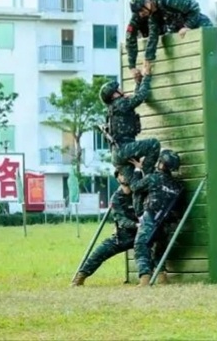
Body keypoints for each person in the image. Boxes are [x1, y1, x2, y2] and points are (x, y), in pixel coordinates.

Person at [127, 0, 217, 105]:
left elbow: (194, 6)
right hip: (186, 34)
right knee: (199, 62)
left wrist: (188, 25)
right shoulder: (154, 16)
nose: (141, 14)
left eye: (141, 10)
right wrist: (148, 60)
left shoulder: (167, 1)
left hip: (200, 26)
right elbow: (153, 37)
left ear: (148, 3)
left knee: (208, 60)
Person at [71, 168, 140, 286]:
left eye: (128, 174)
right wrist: (136, 225)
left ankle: (158, 277)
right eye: (122, 175)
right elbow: (121, 220)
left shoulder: (139, 193)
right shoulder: (116, 198)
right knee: (99, 252)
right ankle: (80, 277)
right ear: (118, 178)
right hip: (123, 236)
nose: (125, 177)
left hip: (141, 235)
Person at [99, 62, 160, 185]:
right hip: (125, 148)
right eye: (118, 89)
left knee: (135, 185)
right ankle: (148, 175)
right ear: (114, 94)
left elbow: (134, 99)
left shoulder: (114, 107)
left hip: (117, 154)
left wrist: (138, 82)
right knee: (154, 144)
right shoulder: (120, 103)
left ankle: (142, 192)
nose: (121, 89)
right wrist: (147, 76)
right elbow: (141, 96)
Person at [130, 149, 184, 286]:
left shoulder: (153, 178)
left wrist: (137, 170)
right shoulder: (177, 185)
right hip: (167, 224)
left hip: (151, 217)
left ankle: (144, 279)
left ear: (160, 163)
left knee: (141, 246)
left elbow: (135, 187)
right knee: (159, 251)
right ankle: (162, 277)